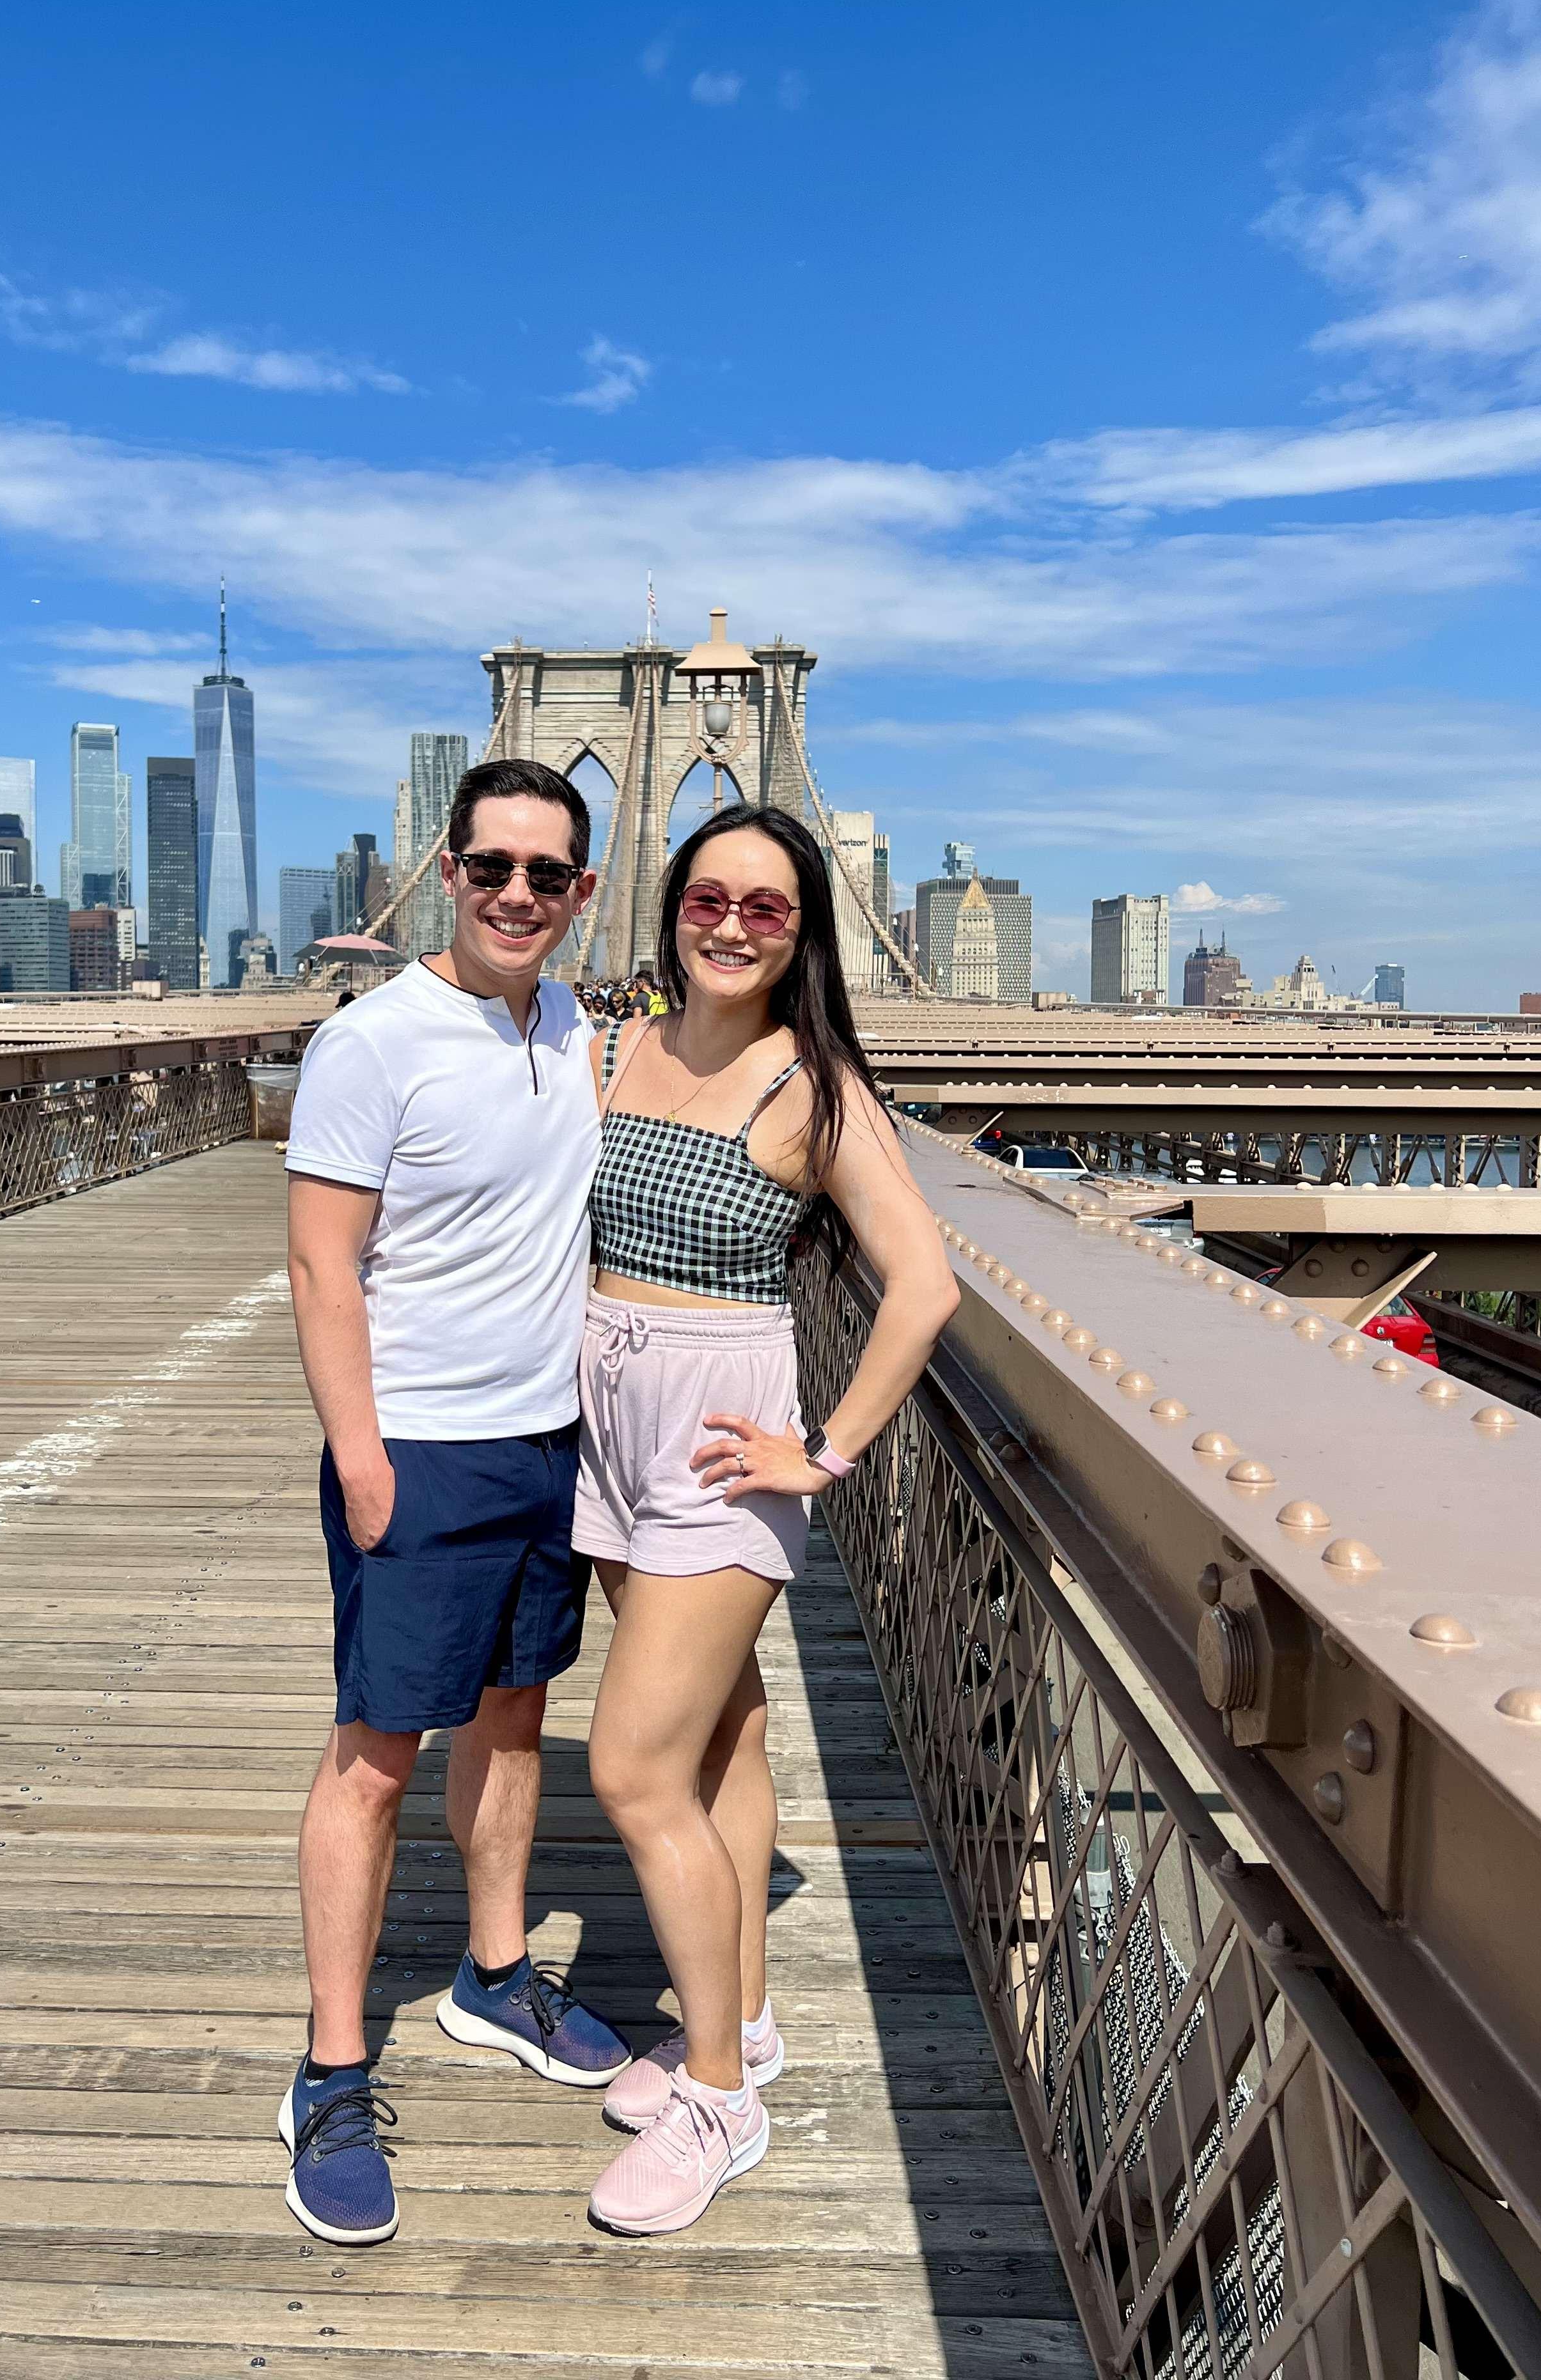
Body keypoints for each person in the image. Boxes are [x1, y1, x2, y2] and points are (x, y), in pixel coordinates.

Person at [572, 804, 958, 2237]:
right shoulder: (613, 1047)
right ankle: (746, 2011)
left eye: (770, 909)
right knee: (722, 1731)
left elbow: (923, 1286)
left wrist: (827, 1451)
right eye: (711, 897)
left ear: (804, 936)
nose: (733, 925)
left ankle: (722, 2095)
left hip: (718, 1436)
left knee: (629, 1767)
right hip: (598, 1422)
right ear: (672, 907)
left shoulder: (819, 1090)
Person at [278, 757, 629, 2246]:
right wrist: (362, 1456)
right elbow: (319, 1268)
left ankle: (493, 1979)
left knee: (513, 1716)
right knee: (375, 1754)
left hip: (550, 1444)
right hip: (417, 1449)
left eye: (548, 875)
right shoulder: (372, 1042)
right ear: (446, 867)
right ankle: (331, 2069)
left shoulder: (580, 1028)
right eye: (492, 866)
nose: (516, 895)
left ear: (583, 894)